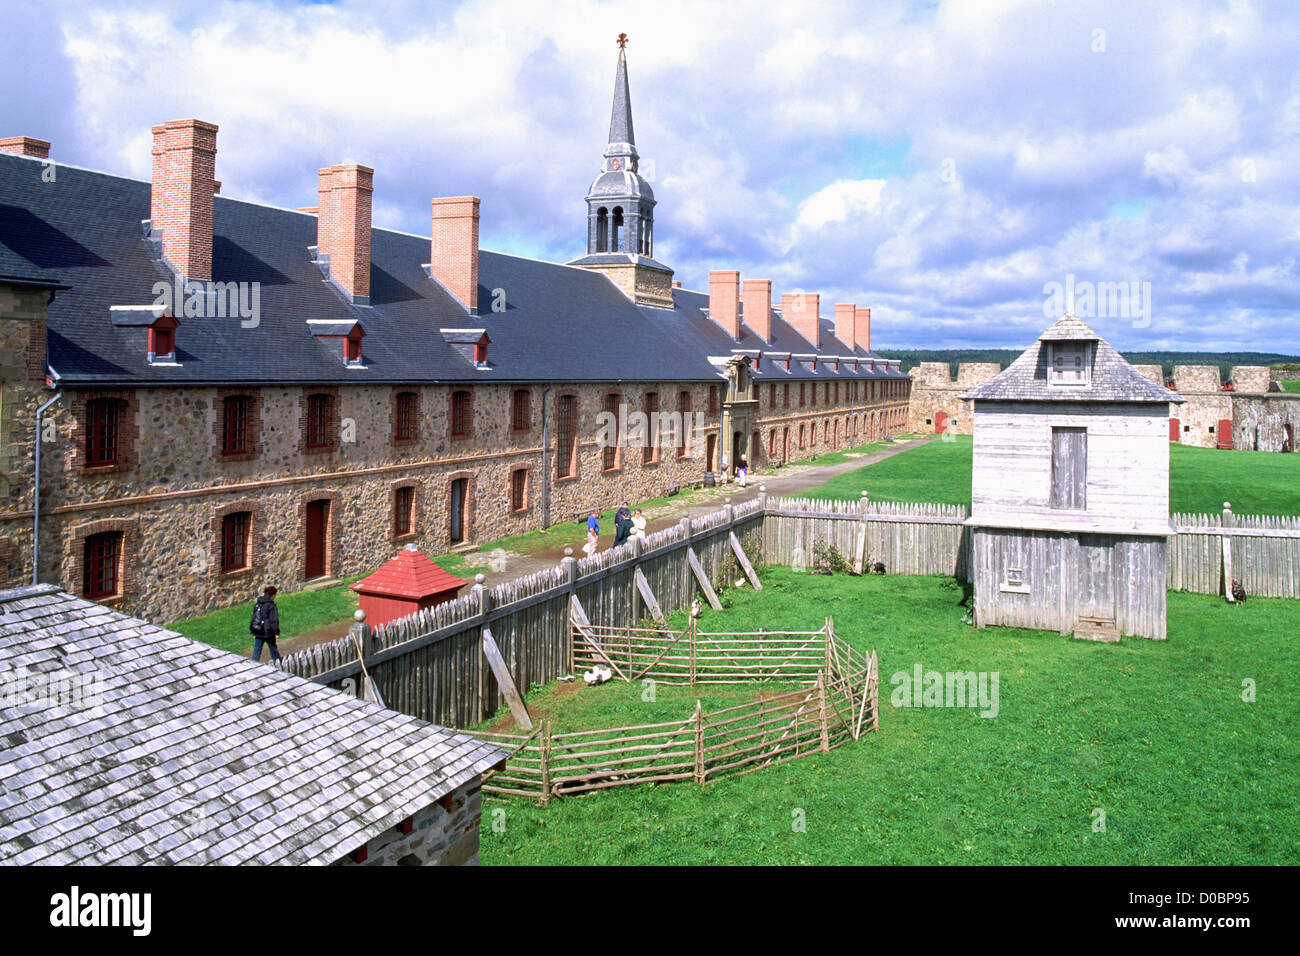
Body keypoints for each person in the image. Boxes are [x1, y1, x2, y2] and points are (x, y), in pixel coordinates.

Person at [249, 586, 281, 663]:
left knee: (257, 649)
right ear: (272, 595)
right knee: (273, 649)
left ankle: (253, 665)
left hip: (258, 630)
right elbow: (274, 620)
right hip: (268, 632)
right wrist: (276, 632)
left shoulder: (259, 603)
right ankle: (279, 663)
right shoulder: (271, 605)